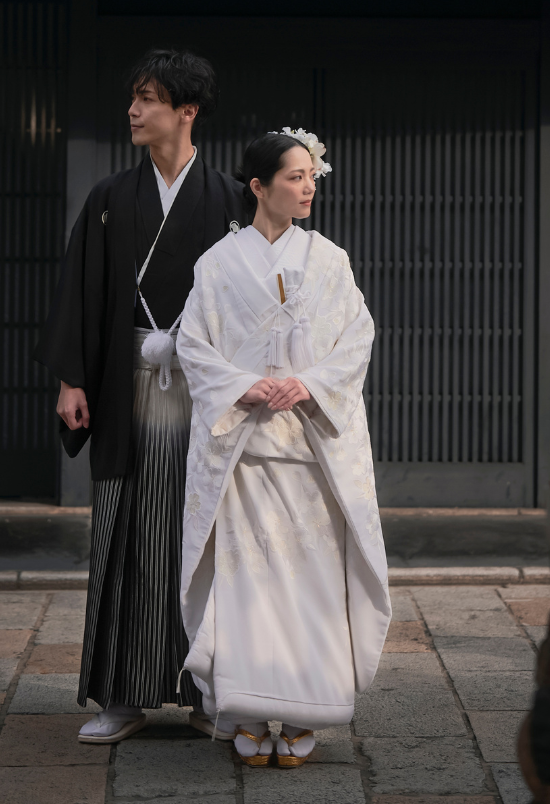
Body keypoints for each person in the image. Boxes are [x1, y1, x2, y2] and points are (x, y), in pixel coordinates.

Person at [34, 49, 244, 744]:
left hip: (205, 392)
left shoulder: (231, 199)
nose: (133, 110)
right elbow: (78, 289)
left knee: (207, 537)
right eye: (134, 97)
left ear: (186, 111)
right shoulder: (109, 199)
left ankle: (209, 691)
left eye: (148, 98)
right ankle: (122, 696)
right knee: (127, 533)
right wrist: (71, 378)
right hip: (129, 387)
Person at [175, 129, 391, 768]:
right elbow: (192, 345)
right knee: (246, 586)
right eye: (295, 177)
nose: (308, 187)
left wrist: (311, 383)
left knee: (309, 584)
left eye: (311, 176)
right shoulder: (216, 265)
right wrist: (241, 385)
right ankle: (246, 708)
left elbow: (357, 338)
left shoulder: (330, 259)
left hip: (308, 451)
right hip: (244, 454)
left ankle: (304, 711)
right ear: (258, 186)